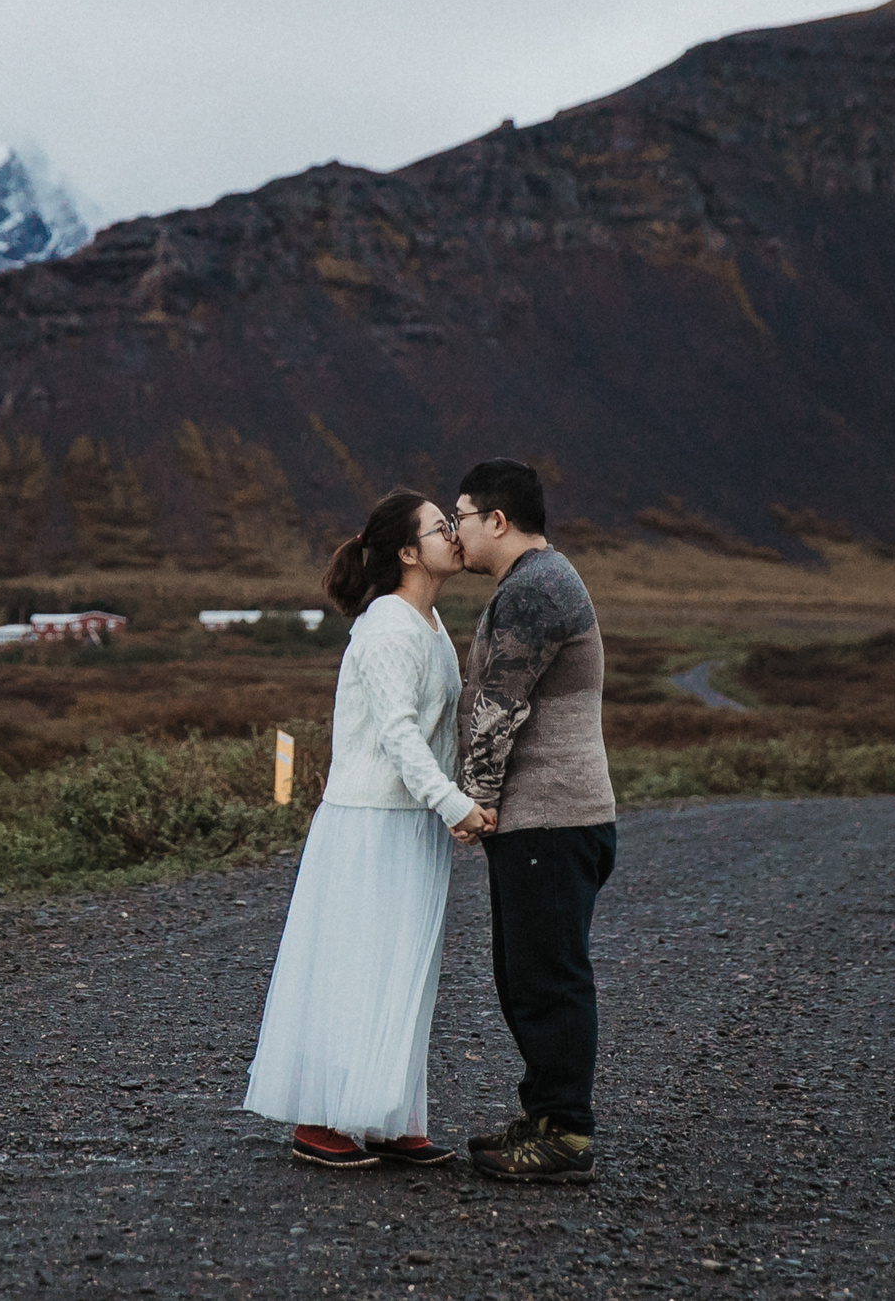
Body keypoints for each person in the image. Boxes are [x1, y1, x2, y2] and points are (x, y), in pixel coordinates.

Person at [242, 488, 498, 1169]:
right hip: (368, 821)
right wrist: (453, 804)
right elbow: (398, 734)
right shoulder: (387, 624)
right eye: (440, 527)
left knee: (404, 967)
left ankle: (388, 1113)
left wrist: (452, 800)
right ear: (408, 551)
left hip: (407, 820)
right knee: (355, 965)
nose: (453, 535)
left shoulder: (430, 621)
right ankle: (320, 1120)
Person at [448, 458, 616, 1183]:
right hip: (543, 819)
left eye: (460, 515)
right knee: (525, 975)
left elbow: (499, 704)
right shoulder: (530, 584)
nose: (453, 530)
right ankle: (546, 1115)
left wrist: (474, 798)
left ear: (497, 520)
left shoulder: (537, 587)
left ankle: (566, 1133)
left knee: (548, 977)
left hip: (552, 816)